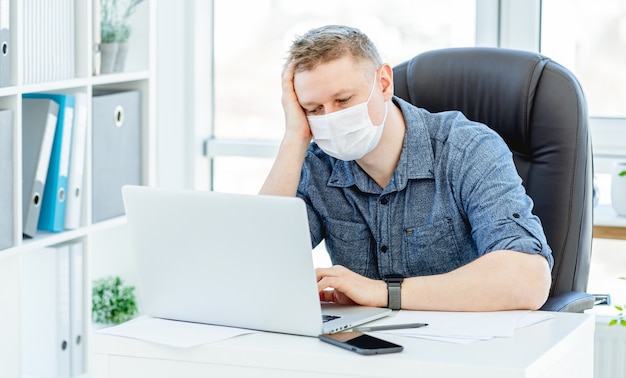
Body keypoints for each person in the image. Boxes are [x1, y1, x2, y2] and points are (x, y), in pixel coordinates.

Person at [260, 25, 553, 311]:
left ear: (384, 83)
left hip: (466, 347)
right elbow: (257, 262)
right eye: (314, 109)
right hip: (363, 349)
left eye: (344, 100)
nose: (331, 118)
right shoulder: (317, 164)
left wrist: (382, 293)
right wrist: (294, 138)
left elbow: (529, 279)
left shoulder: (467, 148)